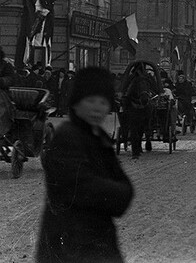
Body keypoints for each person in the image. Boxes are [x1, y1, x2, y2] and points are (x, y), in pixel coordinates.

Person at [36, 67, 134, 263]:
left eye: (103, 102)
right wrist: (116, 192)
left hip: (97, 240)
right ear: (76, 104)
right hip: (69, 243)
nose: (97, 108)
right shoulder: (68, 137)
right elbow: (80, 187)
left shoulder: (99, 139)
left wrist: (117, 193)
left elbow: (125, 191)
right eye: (90, 101)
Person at [122, 64, 153, 158]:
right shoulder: (143, 78)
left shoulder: (134, 78)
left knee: (137, 129)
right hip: (134, 104)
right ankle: (136, 149)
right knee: (136, 129)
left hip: (139, 103)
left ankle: (136, 149)